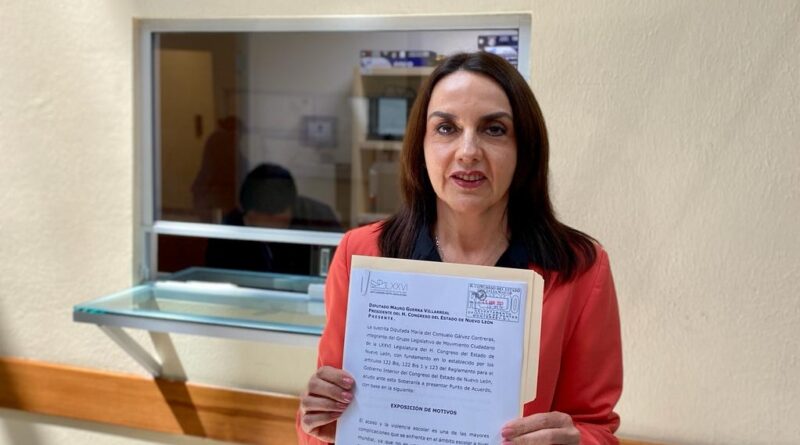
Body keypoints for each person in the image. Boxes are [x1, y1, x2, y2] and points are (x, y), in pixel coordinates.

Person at [297, 52, 622, 444]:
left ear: (524, 149)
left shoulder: (581, 268)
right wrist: (317, 419)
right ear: (421, 146)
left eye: (494, 129)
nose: (468, 151)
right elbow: (326, 426)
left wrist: (577, 442)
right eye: (446, 128)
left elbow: (596, 426)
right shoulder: (362, 253)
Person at [205, 163, 342, 275]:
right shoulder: (228, 232)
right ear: (244, 211)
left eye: (277, 222)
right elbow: (217, 279)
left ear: (291, 208)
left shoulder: (319, 220)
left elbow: (341, 273)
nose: (269, 230)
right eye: (258, 225)